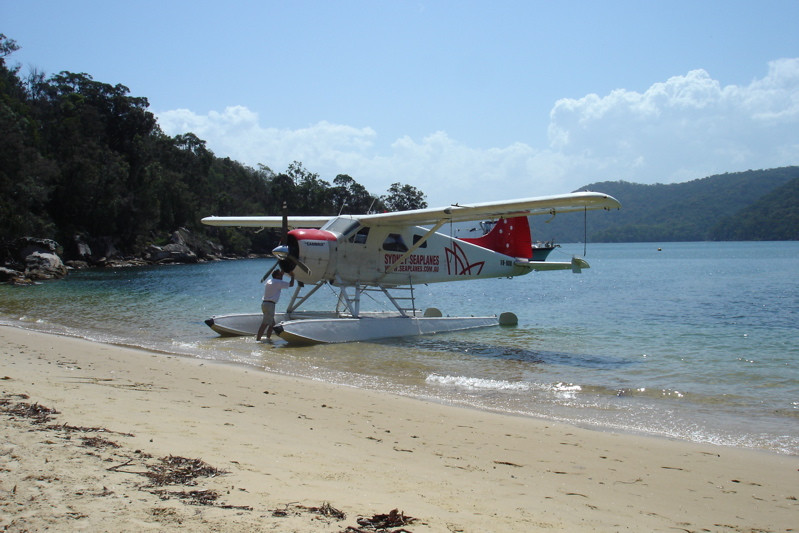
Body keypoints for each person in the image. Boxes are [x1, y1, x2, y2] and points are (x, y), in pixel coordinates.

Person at [256, 269, 294, 341]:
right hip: (270, 305)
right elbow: (291, 284)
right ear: (277, 276)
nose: (282, 276)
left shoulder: (269, 281)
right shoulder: (278, 282)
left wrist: (282, 271)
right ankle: (258, 340)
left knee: (272, 324)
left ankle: (268, 338)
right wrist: (293, 276)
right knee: (265, 323)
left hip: (265, 304)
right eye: (280, 274)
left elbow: (279, 278)